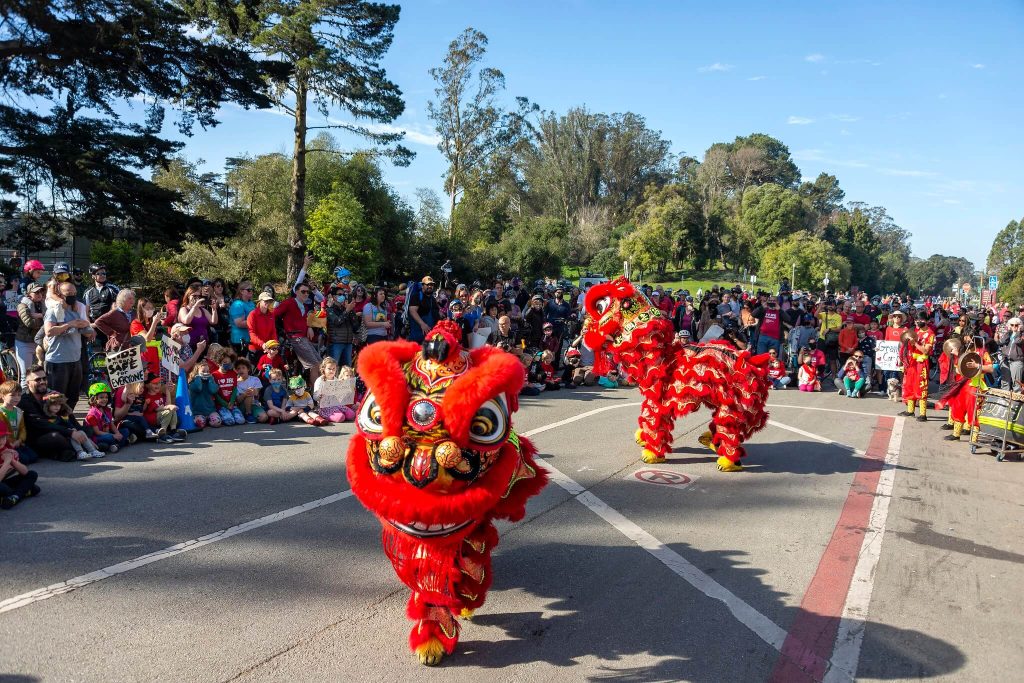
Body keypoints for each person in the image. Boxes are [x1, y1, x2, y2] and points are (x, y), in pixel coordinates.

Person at [43, 281, 92, 410]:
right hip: (58, 361)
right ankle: (57, 422)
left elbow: (85, 332)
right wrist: (70, 324)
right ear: (60, 294)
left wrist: (88, 328)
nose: (72, 296)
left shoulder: (76, 310)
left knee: (73, 396)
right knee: (56, 397)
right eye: (69, 293)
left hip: (75, 360)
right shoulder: (53, 311)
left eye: (74, 293)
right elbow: (49, 331)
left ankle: (68, 417)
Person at [273, 281, 321, 385]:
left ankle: (316, 389)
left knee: (320, 364)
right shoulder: (289, 302)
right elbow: (274, 314)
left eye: (308, 292)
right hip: (295, 338)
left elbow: (304, 320)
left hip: (303, 338)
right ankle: (316, 394)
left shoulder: (305, 306)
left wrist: (309, 327)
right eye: (303, 291)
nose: (306, 294)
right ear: (296, 292)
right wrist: (280, 331)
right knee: (314, 364)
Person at [43, 391, 104, 460]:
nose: (57, 407)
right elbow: (54, 428)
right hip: (61, 437)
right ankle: (80, 452)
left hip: (68, 433)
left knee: (81, 432)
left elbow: (69, 424)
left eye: (59, 404)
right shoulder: (48, 418)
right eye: (54, 404)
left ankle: (92, 450)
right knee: (73, 435)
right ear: (48, 405)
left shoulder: (62, 415)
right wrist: (69, 431)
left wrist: (72, 428)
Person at [899, 310, 935, 421]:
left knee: (921, 386)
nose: (918, 322)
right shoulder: (914, 331)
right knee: (910, 384)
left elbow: (925, 351)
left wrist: (915, 343)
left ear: (927, 321)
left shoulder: (930, 334)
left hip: (922, 363)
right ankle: (910, 410)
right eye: (917, 320)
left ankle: (923, 414)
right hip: (912, 362)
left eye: (921, 320)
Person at [0, 419, 40, 510]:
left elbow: (25, 472)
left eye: (3, 437)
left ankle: (14, 497)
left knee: (32, 474)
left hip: (5, 481)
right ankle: (22, 492)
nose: (1, 441)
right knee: (33, 489)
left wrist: (13, 461)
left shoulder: (5, 449)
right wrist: (7, 462)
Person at [84, 382, 132, 453]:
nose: (104, 399)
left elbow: (111, 424)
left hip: (108, 433)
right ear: (94, 398)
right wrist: (113, 435)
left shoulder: (107, 410)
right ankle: (121, 443)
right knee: (110, 438)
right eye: (101, 397)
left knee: (125, 431)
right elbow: (97, 432)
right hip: (99, 436)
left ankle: (116, 446)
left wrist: (117, 433)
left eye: (106, 397)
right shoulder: (92, 415)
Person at [15, 283, 45, 388]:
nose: (39, 294)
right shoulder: (22, 305)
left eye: (41, 291)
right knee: (25, 375)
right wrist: (44, 317)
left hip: (39, 343)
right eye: (36, 292)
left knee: (39, 374)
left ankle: (37, 399)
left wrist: (40, 315)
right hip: (24, 342)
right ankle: (23, 400)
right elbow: (29, 323)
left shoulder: (43, 305)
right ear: (29, 293)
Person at [0, 381, 36, 464]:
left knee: (34, 457)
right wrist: (9, 443)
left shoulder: (19, 411)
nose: (17, 398)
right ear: (2, 396)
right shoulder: (1, 412)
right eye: (12, 395)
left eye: (19, 395)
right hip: (5, 445)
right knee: (25, 460)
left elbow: (22, 428)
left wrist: (19, 440)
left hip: (17, 443)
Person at [143, 374, 185, 444]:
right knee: (168, 411)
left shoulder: (159, 394)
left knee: (172, 410)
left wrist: (167, 391)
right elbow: (157, 409)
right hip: (153, 418)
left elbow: (167, 405)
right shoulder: (148, 397)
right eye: (154, 383)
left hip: (162, 415)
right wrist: (168, 407)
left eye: (159, 383)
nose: (158, 385)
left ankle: (173, 431)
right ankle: (163, 434)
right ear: (147, 385)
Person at [313, 358, 355, 423]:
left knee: (351, 415)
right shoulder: (320, 380)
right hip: (325, 407)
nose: (332, 371)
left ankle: (339, 413)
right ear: (323, 369)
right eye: (329, 369)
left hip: (337, 405)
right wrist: (319, 396)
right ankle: (324, 415)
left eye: (333, 369)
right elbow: (315, 397)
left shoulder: (336, 380)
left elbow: (340, 396)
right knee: (341, 417)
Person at [211, 350, 245, 426]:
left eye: (229, 362)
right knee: (230, 422)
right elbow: (215, 393)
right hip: (221, 405)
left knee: (241, 420)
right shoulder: (214, 375)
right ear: (219, 363)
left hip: (232, 404)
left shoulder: (233, 374)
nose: (228, 364)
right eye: (225, 362)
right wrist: (225, 404)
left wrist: (232, 402)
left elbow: (234, 389)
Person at [177, 285, 215, 351]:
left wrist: (214, 310)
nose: (197, 298)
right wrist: (194, 306)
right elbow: (186, 321)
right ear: (188, 296)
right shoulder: (184, 309)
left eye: (199, 296)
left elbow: (213, 321)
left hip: (203, 344)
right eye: (194, 296)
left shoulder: (203, 310)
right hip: (188, 346)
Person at [188, 360, 222, 429]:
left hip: (210, 411)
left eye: (207, 371)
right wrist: (198, 377)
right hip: (198, 412)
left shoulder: (210, 381)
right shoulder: (192, 383)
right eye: (203, 372)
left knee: (217, 423)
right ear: (197, 373)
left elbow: (213, 390)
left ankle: (209, 420)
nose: (206, 373)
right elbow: (198, 388)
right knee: (200, 424)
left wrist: (210, 379)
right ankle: (205, 421)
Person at [247, 291, 278, 360]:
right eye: (265, 300)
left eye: (269, 301)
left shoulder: (271, 314)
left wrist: (274, 344)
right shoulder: (252, 314)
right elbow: (252, 334)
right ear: (260, 301)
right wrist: (263, 344)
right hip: (255, 349)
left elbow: (273, 331)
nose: (268, 302)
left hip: (268, 349)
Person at [234, 358, 267, 424]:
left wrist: (254, 391)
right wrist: (245, 394)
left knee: (264, 418)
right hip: (241, 406)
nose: (241, 370)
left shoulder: (255, 379)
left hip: (254, 405)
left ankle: (250, 416)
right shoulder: (235, 382)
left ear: (248, 369)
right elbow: (238, 400)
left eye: (243, 368)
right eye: (238, 368)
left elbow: (257, 395)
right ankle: (248, 414)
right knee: (248, 393)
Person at [407, 276, 438, 343]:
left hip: (429, 336)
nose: (430, 286)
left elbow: (435, 311)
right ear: (422, 285)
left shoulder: (432, 299)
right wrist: (422, 324)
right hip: (417, 336)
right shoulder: (417, 296)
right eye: (427, 284)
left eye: (432, 284)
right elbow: (412, 311)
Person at [997, 316, 1024, 392]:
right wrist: (1009, 332)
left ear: (1020, 325)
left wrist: (1018, 331)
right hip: (1005, 360)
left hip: (1016, 361)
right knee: (1005, 383)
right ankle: (1004, 401)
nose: (1014, 327)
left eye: (1016, 325)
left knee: (1016, 385)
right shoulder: (1009, 334)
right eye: (1012, 325)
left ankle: (1016, 403)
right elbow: (1002, 341)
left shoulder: (1021, 334)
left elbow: (1017, 341)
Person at [229, 281, 256, 355]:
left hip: (250, 338)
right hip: (240, 340)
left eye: (252, 290)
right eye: (249, 290)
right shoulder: (237, 304)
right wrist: (257, 322)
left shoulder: (251, 303)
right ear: (241, 291)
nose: (251, 291)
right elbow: (239, 323)